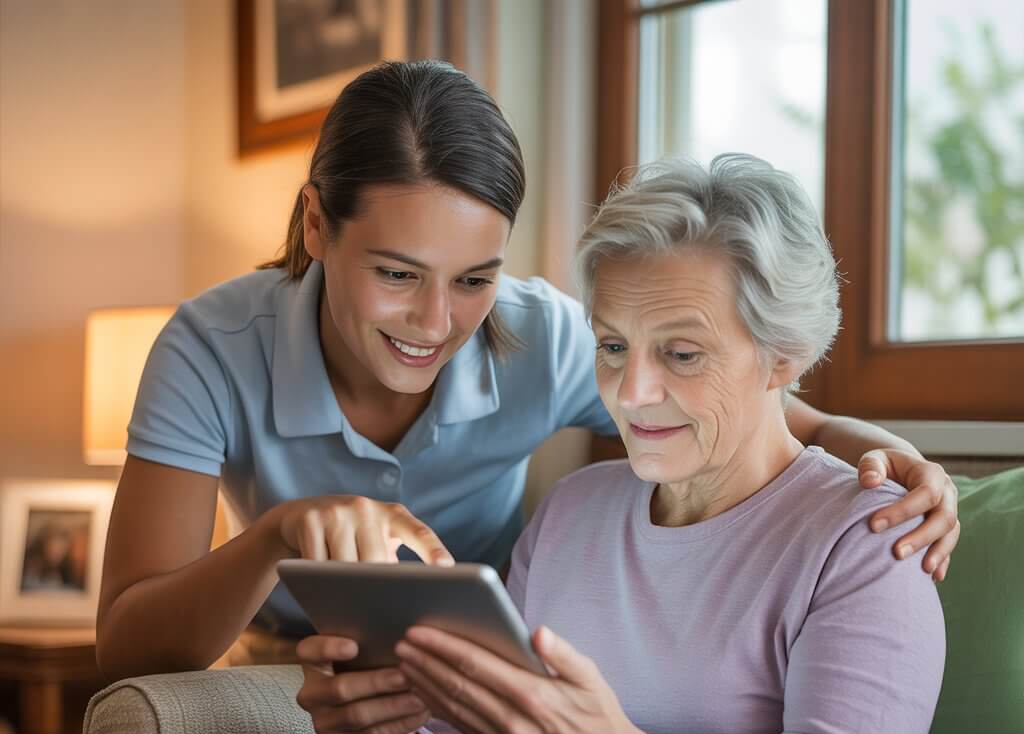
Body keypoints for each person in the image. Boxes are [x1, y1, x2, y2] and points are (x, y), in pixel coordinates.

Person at [99, 154, 946, 734]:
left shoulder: (867, 537)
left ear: (784, 356)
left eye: (681, 353)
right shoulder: (576, 508)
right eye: (612, 348)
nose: (633, 392)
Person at [96, 60, 959, 683]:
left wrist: (900, 460)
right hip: (293, 660)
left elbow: (766, 417)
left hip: (490, 666)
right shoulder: (211, 347)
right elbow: (128, 645)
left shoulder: (539, 337)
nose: (436, 326)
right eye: (397, 274)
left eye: (474, 279)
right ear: (317, 227)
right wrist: (280, 535)